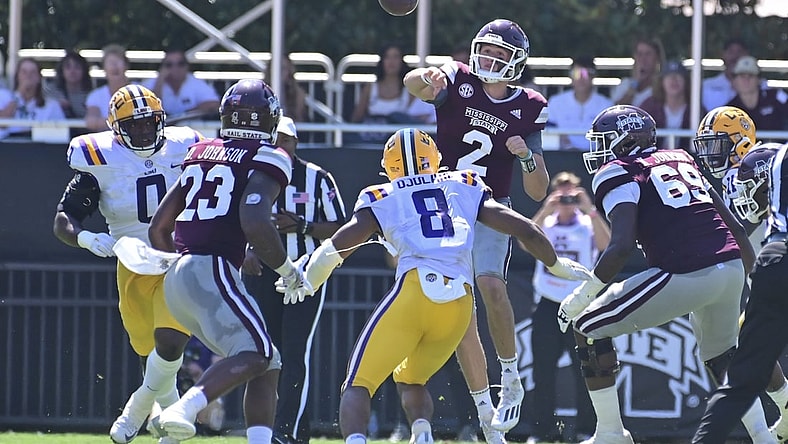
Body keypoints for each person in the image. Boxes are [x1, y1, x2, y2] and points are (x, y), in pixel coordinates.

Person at [276, 127, 592, 444]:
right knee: (411, 378)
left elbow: (342, 242)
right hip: (458, 304)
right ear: (435, 159)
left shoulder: (382, 195)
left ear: (389, 167)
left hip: (414, 292)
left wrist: (310, 277)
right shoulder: (462, 184)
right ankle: (422, 432)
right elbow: (525, 229)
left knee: (358, 384)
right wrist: (556, 264)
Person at [555, 104, 767, 444]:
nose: (597, 150)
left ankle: (611, 433)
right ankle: (763, 436)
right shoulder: (681, 158)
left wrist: (583, 294)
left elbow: (621, 246)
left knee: (588, 326)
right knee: (721, 355)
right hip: (730, 269)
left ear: (625, 142)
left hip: (686, 270)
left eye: (604, 141)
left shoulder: (619, 170)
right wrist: (754, 280)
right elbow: (737, 229)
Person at [403, 18, 550, 441]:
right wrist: (425, 74)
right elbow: (415, 84)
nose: (489, 59)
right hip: (444, 208)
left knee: (491, 285)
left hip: (489, 207)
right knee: (461, 312)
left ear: (516, 62)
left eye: (499, 54)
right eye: (485, 50)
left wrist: (524, 156)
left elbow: (537, 189)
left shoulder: (528, 105)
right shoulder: (457, 79)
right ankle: (486, 410)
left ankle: (511, 376)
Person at [146, 78, 305, 444]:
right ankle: (183, 410)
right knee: (258, 351)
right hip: (212, 269)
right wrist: (287, 268)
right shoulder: (270, 155)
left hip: (179, 274)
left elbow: (159, 228)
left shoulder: (201, 150)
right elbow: (254, 220)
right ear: (267, 118)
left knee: (269, 360)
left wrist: (186, 269)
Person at [52, 85, 204, 444]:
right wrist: (88, 238)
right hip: (132, 260)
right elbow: (64, 218)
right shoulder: (98, 158)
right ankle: (170, 429)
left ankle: (134, 412)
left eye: (149, 123)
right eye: (133, 126)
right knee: (149, 350)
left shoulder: (186, 146)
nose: (143, 131)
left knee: (170, 342)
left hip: (176, 255)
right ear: (116, 128)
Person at [240, 116, 347, 444]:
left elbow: (343, 227)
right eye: (275, 140)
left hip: (306, 272)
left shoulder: (317, 178)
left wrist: (304, 226)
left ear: (296, 143)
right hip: (261, 269)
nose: (280, 147)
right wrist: (244, 250)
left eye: (286, 140)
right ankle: (267, 429)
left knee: (295, 350)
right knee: (265, 352)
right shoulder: (251, 174)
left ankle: (289, 432)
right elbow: (234, 219)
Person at [694, 106, 788, 441]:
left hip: (769, 267)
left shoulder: (751, 169)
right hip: (768, 267)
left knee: (736, 350)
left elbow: (737, 229)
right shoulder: (766, 163)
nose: (708, 153)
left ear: (740, 142)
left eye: (717, 143)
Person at [526, 171, 610, 443]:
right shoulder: (545, 225)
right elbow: (523, 240)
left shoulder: (588, 224)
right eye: (561, 195)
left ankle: (586, 429)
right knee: (543, 371)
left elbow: (607, 246)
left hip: (580, 305)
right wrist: (544, 208)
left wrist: (590, 209)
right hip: (548, 304)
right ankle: (542, 431)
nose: (566, 200)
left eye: (571, 194)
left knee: (586, 369)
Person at [350, 44, 413, 143]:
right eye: (387, 57)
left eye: (395, 57)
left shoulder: (410, 90)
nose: (391, 62)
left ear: (402, 61)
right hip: (371, 141)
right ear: (382, 61)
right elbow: (357, 117)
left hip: (400, 143)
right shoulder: (370, 87)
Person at [546, 56, 612, 150]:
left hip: (596, 158)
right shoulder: (555, 102)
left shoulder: (606, 105)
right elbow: (549, 133)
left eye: (586, 73)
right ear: (571, 76)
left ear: (593, 76)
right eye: (577, 73)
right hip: (562, 158)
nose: (581, 78)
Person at [640, 59, 705, 150]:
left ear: (686, 81)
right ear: (661, 81)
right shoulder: (649, 106)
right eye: (669, 76)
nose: (674, 80)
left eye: (679, 76)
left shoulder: (696, 109)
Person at [144, 48, 220, 121]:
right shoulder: (152, 83)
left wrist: (185, 116)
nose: (175, 68)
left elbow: (214, 104)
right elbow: (148, 106)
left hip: (191, 127)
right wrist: (160, 81)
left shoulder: (196, 83)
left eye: (180, 64)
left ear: (187, 66)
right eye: (169, 65)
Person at [0, 57, 66, 139]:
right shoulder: (3, 96)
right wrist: (18, 96)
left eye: (33, 72)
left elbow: (59, 135)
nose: (28, 76)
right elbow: (2, 124)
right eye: (24, 72)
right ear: (17, 76)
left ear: (39, 78)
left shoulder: (52, 105)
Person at [727, 56, 788, 135]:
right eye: (742, 76)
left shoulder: (776, 97)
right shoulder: (730, 109)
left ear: (759, 79)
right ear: (734, 81)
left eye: (751, 75)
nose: (746, 80)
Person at [85, 44, 132, 131]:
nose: (114, 66)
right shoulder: (95, 96)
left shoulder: (140, 90)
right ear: (104, 68)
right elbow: (91, 122)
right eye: (110, 62)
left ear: (126, 66)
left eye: (118, 61)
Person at [610, 36, 664, 107]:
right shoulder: (625, 84)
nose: (643, 59)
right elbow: (616, 110)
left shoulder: (664, 85)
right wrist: (635, 83)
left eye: (648, 54)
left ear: (657, 58)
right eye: (639, 54)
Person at [702, 38, 751, 112]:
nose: (735, 57)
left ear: (746, 55)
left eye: (739, 52)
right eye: (730, 52)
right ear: (723, 55)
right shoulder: (706, 86)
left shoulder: (759, 86)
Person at [45, 49, 93, 119]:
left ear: (84, 71)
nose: (72, 71)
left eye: (77, 67)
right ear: (62, 70)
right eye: (68, 67)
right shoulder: (51, 91)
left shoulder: (91, 96)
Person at [266, 56, 308, 123]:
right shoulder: (262, 92)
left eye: (283, 69)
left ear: (289, 71)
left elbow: (298, 119)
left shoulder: (298, 93)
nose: (279, 73)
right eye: (276, 68)